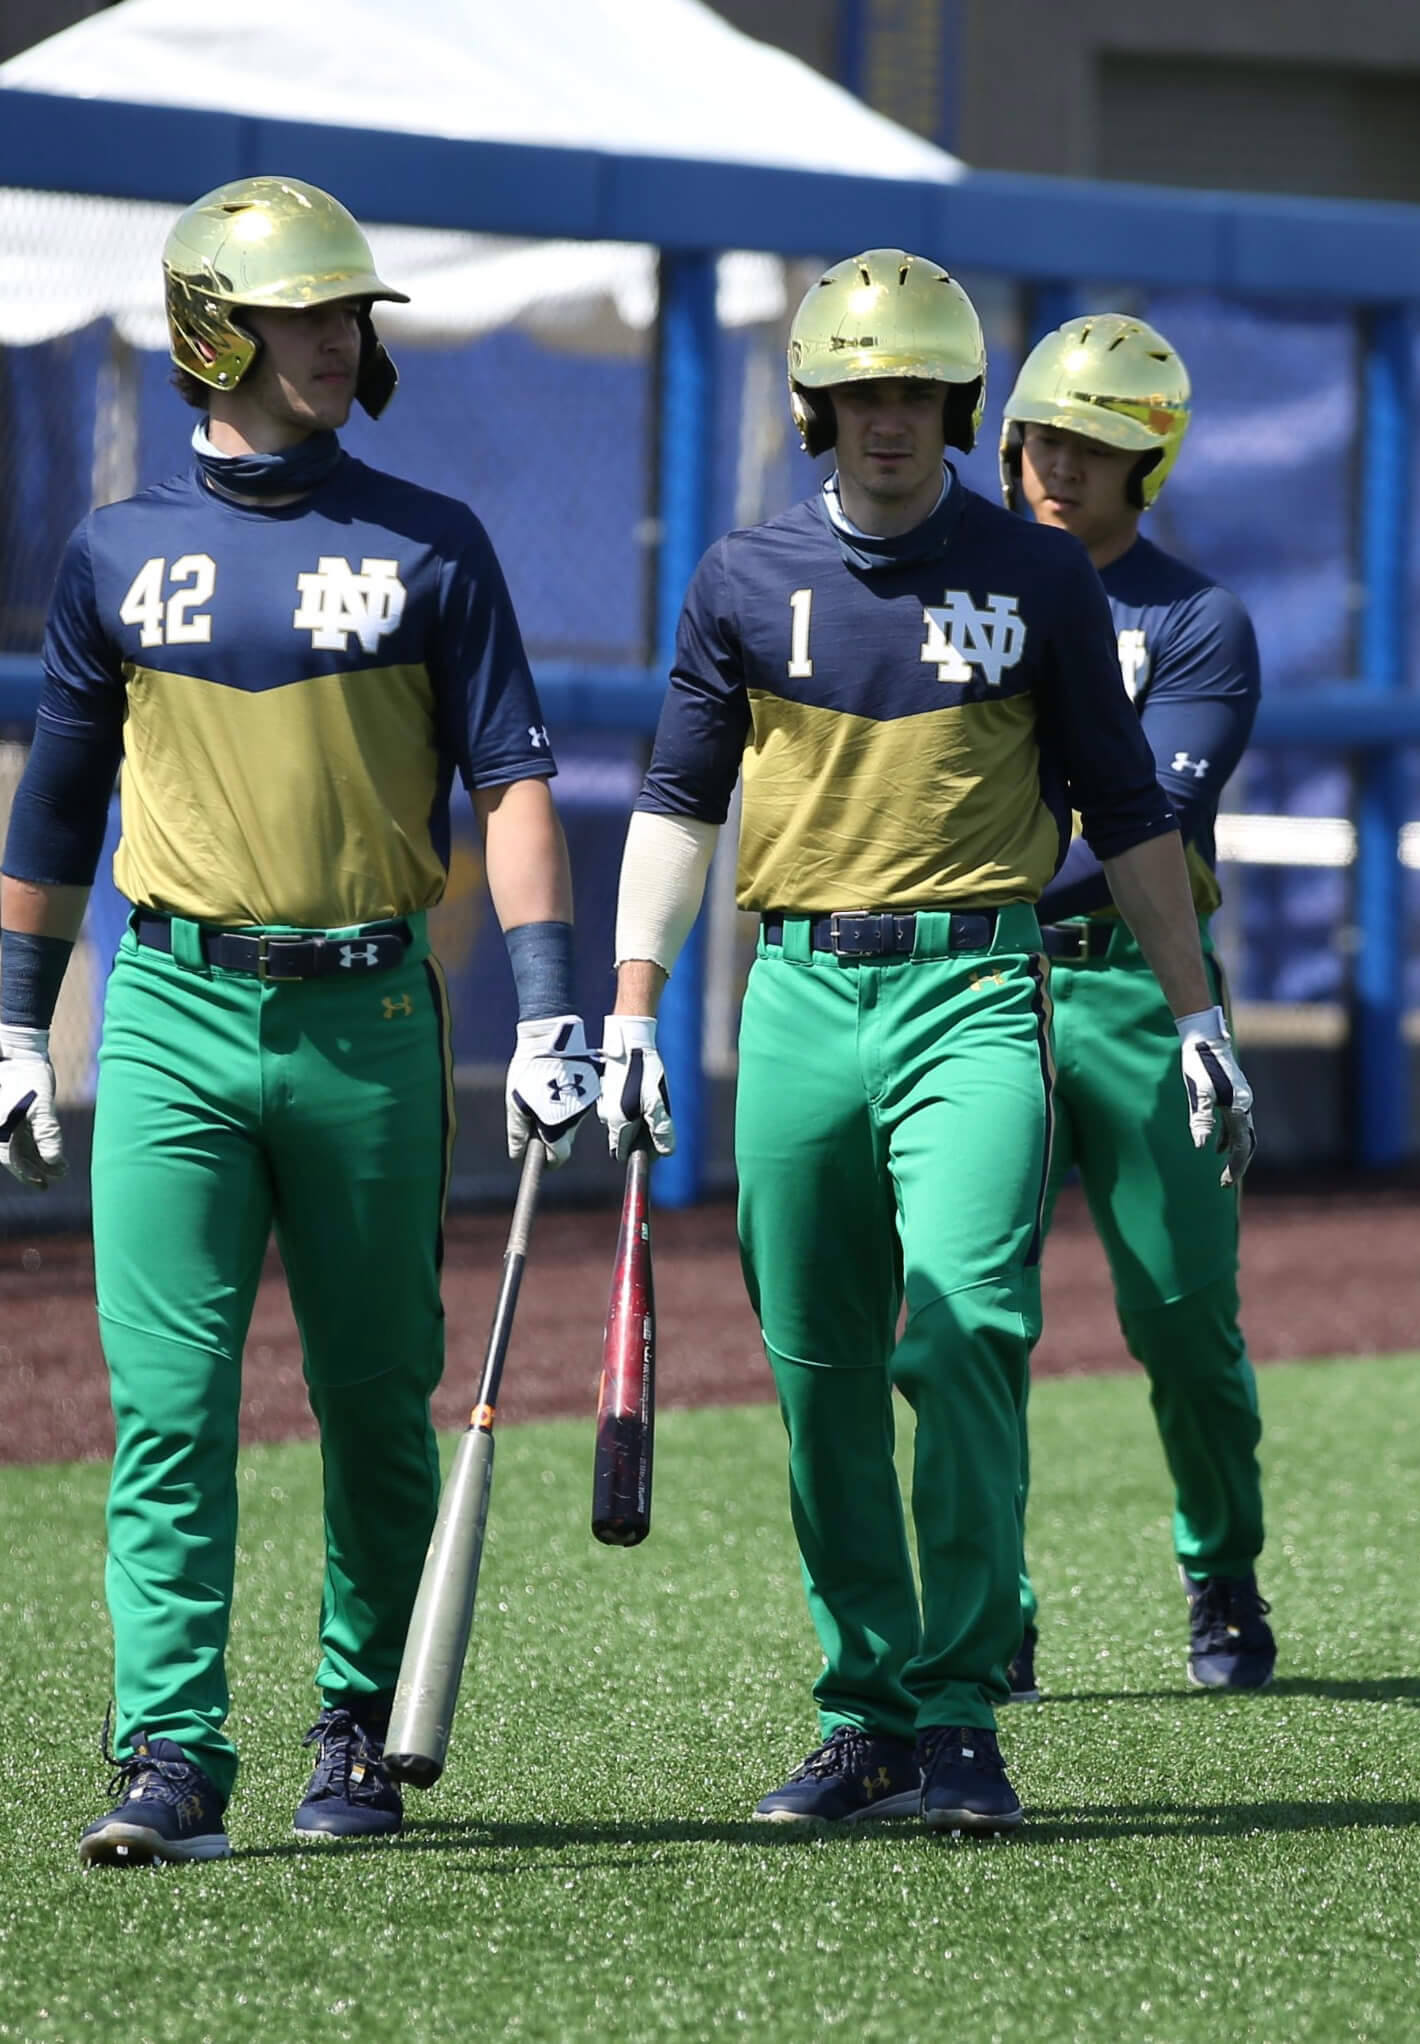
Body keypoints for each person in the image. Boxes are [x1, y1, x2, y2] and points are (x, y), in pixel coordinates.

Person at [595, 251, 1254, 1836]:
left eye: (918, 394)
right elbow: (680, 802)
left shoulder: (1040, 578)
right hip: (800, 996)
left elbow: (1130, 806)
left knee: (961, 1330)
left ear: (960, 408)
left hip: (976, 988)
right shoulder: (740, 580)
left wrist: (1197, 1011)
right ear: (818, 404)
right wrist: (631, 1006)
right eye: (861, 392)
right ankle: (863, 1709)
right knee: (817, 1371)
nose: (889, 421)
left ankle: (960, 1711)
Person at [0, 176, 595, 1867]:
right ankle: (170, 1756)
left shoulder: (432, 542)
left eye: (350, 315)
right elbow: (54, 806)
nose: (341, 340)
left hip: (372, 1020)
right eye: (306, 314)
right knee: (168, 1405)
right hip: (173, 1012)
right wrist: (21, 1026)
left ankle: (355, 1727)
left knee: (376, 1400)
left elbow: (515, 787)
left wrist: (548, 1012)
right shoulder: (113, 550)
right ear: (213, 331)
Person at [997, 313, 1273, 1698]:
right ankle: (999, 1605)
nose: (1063, 466)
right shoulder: (960, 592)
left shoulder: (1196, 619)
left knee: (1179, 1316)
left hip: (1136, 990)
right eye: (1046, 433)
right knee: (969, 1315)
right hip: (981, 984)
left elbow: (1146, 816)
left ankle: (1221, 1566)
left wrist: (946, 859)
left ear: (1146, 461)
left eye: (1099, 446)